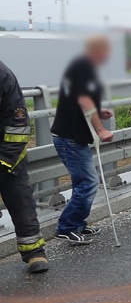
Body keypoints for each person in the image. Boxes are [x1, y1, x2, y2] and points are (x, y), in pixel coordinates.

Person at [52, 36, 114, 245]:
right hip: (70, 137)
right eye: (106, 51)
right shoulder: (84, 67)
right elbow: (84, 100)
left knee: (82, 183)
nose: (107, 56)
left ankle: (78, 225)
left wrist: (98, 111)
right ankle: (67, 227)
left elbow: (78, 100)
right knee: (89, 182)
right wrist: (101, 129)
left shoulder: (80, 66)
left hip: (70, 136)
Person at [0, 60, 49, 272]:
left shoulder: (3, 75)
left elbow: (18, 125)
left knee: (20, 202)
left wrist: (5, 160)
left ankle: (34, 253)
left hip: (8, 155)